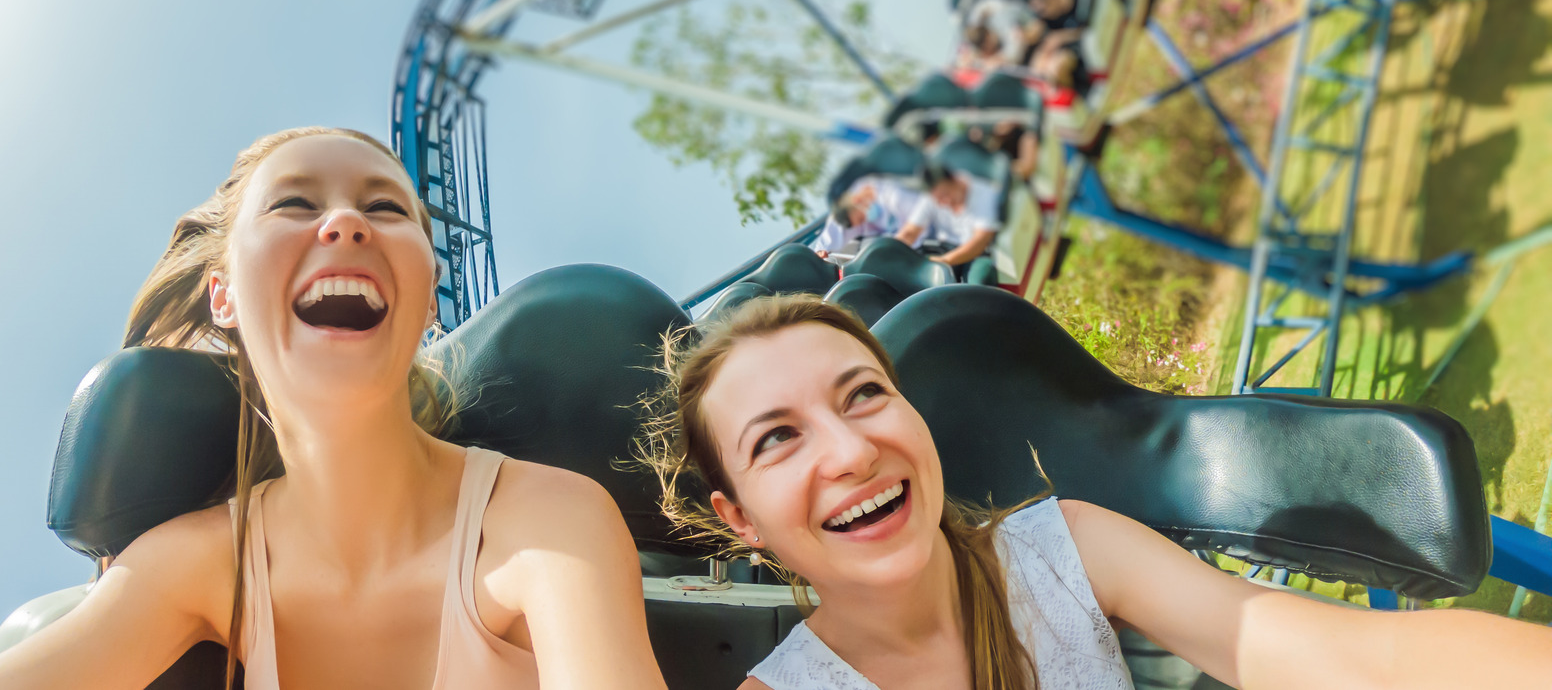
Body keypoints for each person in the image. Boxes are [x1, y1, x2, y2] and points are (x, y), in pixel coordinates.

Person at [0, 127, 668, 690]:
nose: (347, 223)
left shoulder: (547, 522)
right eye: (295, 204)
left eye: (385, 208)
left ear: (427, 296)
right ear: (223, 295)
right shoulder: (199, 562)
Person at [640, 295, 1552, 690]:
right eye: (778, 439)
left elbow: (1354, 661)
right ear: (740, 519)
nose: (849, 451)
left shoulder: (1062, 549)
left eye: (865, 394)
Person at [895, 164, 1002, 272]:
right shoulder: (931, 195)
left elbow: (980, 240)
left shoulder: (985, 194)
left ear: (955, 180)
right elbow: (910, 232)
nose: (944, 202)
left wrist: (944, 261)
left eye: (946, 194)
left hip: (975, 255)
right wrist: (890, 252)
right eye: (938, 199)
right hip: (943, 249)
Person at [813, 177, 930, 258]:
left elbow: (924, 219)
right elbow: (837, 226)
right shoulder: (858, 212)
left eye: (860, 219)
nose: (862, 223)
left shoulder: (895, 196)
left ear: (857, 200)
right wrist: (822, 250)